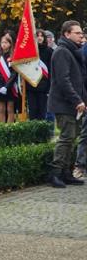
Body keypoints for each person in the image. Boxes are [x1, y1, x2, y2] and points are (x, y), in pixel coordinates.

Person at [47, 20, 86, 188]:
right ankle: (55, 173)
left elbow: (79, 80)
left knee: (72, 138)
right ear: (67, 34)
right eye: (77, 33)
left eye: (81, 33)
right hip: (64, 104)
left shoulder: (73, 51)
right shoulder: (62, 52)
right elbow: (63, 81)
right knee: (66, 138)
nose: (81, 36)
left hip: (74, 104)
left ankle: (66, 172)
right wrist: (76, 100)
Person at [0, 33, 18, 124]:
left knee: (10, 108)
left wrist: (7, 87)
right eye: (2, 42)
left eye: (6, 42)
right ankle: (1, 128)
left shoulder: (13, 56)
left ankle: (9, 128)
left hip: (10, 87)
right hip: (0, 86)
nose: (4, 44)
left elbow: (14, 73)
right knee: (1, 108)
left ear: (10, 44)